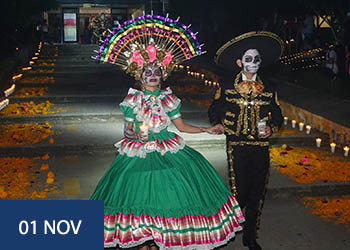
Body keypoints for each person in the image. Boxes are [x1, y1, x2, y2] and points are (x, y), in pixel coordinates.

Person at [90, 15, 244, 250]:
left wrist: (207, 129)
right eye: (148, 72)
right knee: (139, 195)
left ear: (162, 75)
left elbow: (181, 127)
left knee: (171, 194)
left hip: (167, 145)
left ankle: (160, 240)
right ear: (139, 75)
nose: (153, 76)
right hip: (140, 151)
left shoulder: (168, 98)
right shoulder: (133, 99)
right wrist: (135, 136)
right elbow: (128, 128)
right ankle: (145, 240)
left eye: (157, 72)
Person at [208, 31, 284, 250]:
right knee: (240, 190)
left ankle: (250, 237)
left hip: (260, 146)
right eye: (248, 59)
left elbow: (278, 115)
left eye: (257, 59)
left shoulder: (269, 87)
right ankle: (231, 229)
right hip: (237, 145)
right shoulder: (227, 85)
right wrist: (218, 123)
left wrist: (272, 127)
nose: (253, 63)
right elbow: (215, 108)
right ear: (240, 62)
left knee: (257, 191)